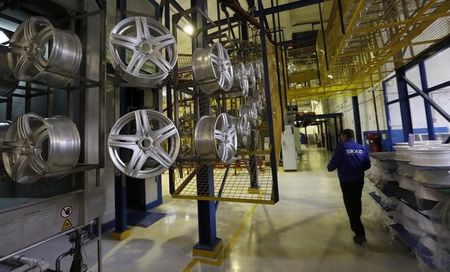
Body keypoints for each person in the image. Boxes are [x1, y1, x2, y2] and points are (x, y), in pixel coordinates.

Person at [327, 129, 371, 245]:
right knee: (357, 201)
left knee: (350, 205)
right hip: (358, 180)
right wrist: (357, 170)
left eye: (341, 136)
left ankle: (359, 232)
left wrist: (331, 167)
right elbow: (367, 165)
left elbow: (332, 165)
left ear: (344, 136)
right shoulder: (362, 148)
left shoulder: (341, 148)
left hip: (346, 181)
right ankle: (357, 223)